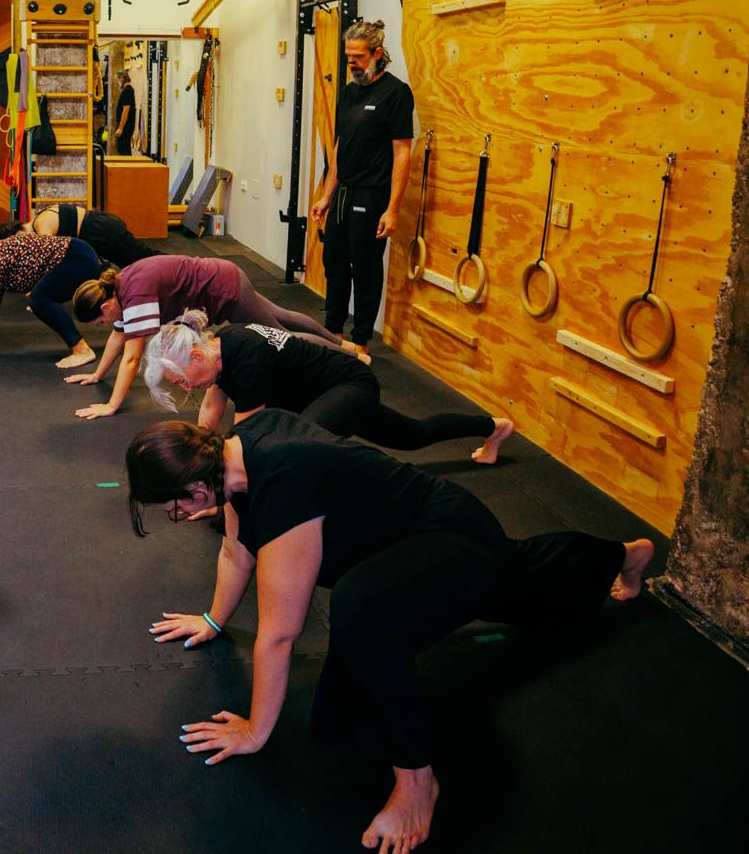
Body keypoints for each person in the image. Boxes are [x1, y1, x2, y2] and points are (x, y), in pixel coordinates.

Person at [125, 409, 655, 853]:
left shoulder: (282, 479)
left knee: (369, 613)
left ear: (195, 488)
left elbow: (280, 634)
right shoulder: (234, 457)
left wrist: (255, 732)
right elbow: (235, 551)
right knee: (524, 581)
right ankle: (625, 554)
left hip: (450, 536)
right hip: (413, 535)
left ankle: (418, 782)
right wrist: (214, 621)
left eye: (172, 509)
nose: (179, 516)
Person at [141, 311, 513, 464]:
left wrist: (218, 488)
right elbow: (210, 410)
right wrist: (197, 460)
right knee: (411, 435)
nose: (185, 388)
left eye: (181, 381)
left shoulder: (245, 357)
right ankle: (493, 427)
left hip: (350, 384)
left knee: (297, 446)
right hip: (324, 395)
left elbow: (249, 438)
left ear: (195, 356)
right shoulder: (220, 348)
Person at [65, 256, 355, 420]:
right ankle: (346, 348)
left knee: (284, 338)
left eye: (101, 319)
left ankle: (347, 359)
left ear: (105, 306)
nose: (106, 323)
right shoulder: (120, 288)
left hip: (223, 289)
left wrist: (111, 406)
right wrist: (96, 374)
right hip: (225, 274)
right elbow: (119, 335)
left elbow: (131, 357)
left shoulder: (135, 293)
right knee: (281, 315)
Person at [308, 20, 414, 355]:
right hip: (343, 192)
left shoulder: (396, 93)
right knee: (334, 262)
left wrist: (392, 209)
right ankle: (333, 331)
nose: (351, 62)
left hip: (372, 193)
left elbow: (402, 152)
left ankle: (361, 340)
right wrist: (326, 194)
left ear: (377, 54)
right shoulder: (350, 92)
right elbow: (341, 146)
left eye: (357, 56)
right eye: (348, 56)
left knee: (365, 268)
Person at [0, 230, 98, 367]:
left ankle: (82, 350)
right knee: (40, 296)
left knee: (40, 300)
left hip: (77, 260)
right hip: (80, 252)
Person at [25, 202, 157, 268]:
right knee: (136, 263)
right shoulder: (38, 218)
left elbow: (49, 257)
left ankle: (176, 265)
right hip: (99, 228)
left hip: (101, 230)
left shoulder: (41, 225)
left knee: (140, 261)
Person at [113, 69, 138, 156]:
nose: (117, 83)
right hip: (127, 126)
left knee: (123, 150)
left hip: (126, 126)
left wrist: (120, 128)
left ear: (122, 78)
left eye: (117, 80)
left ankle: (127, 168)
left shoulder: (127, 91)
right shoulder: (128, 90)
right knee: (124, 149)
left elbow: (125, 111)